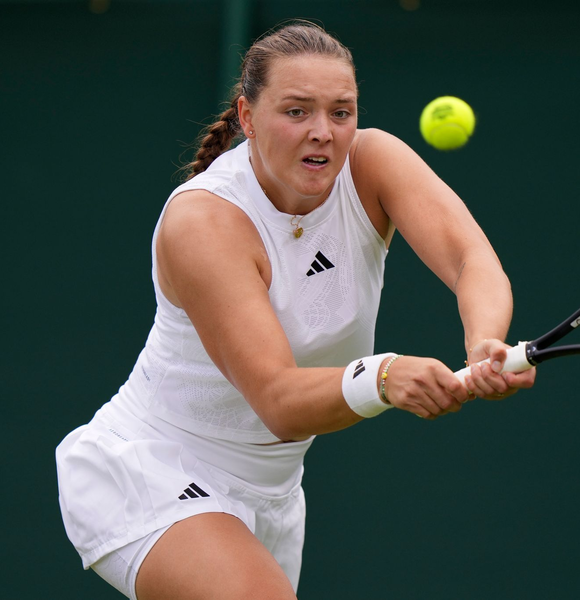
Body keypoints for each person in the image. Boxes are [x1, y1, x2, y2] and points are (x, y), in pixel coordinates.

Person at [55, 21, 536, 600]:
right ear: (248, 116)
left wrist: (484, 342)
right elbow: (279, 400)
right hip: (152, 469)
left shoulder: (373, 161)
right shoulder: (204, 223)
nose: (323, 133)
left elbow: (470, 259)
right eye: (296, 111)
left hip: (275, 494)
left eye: (341, 112)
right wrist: (383, 377)